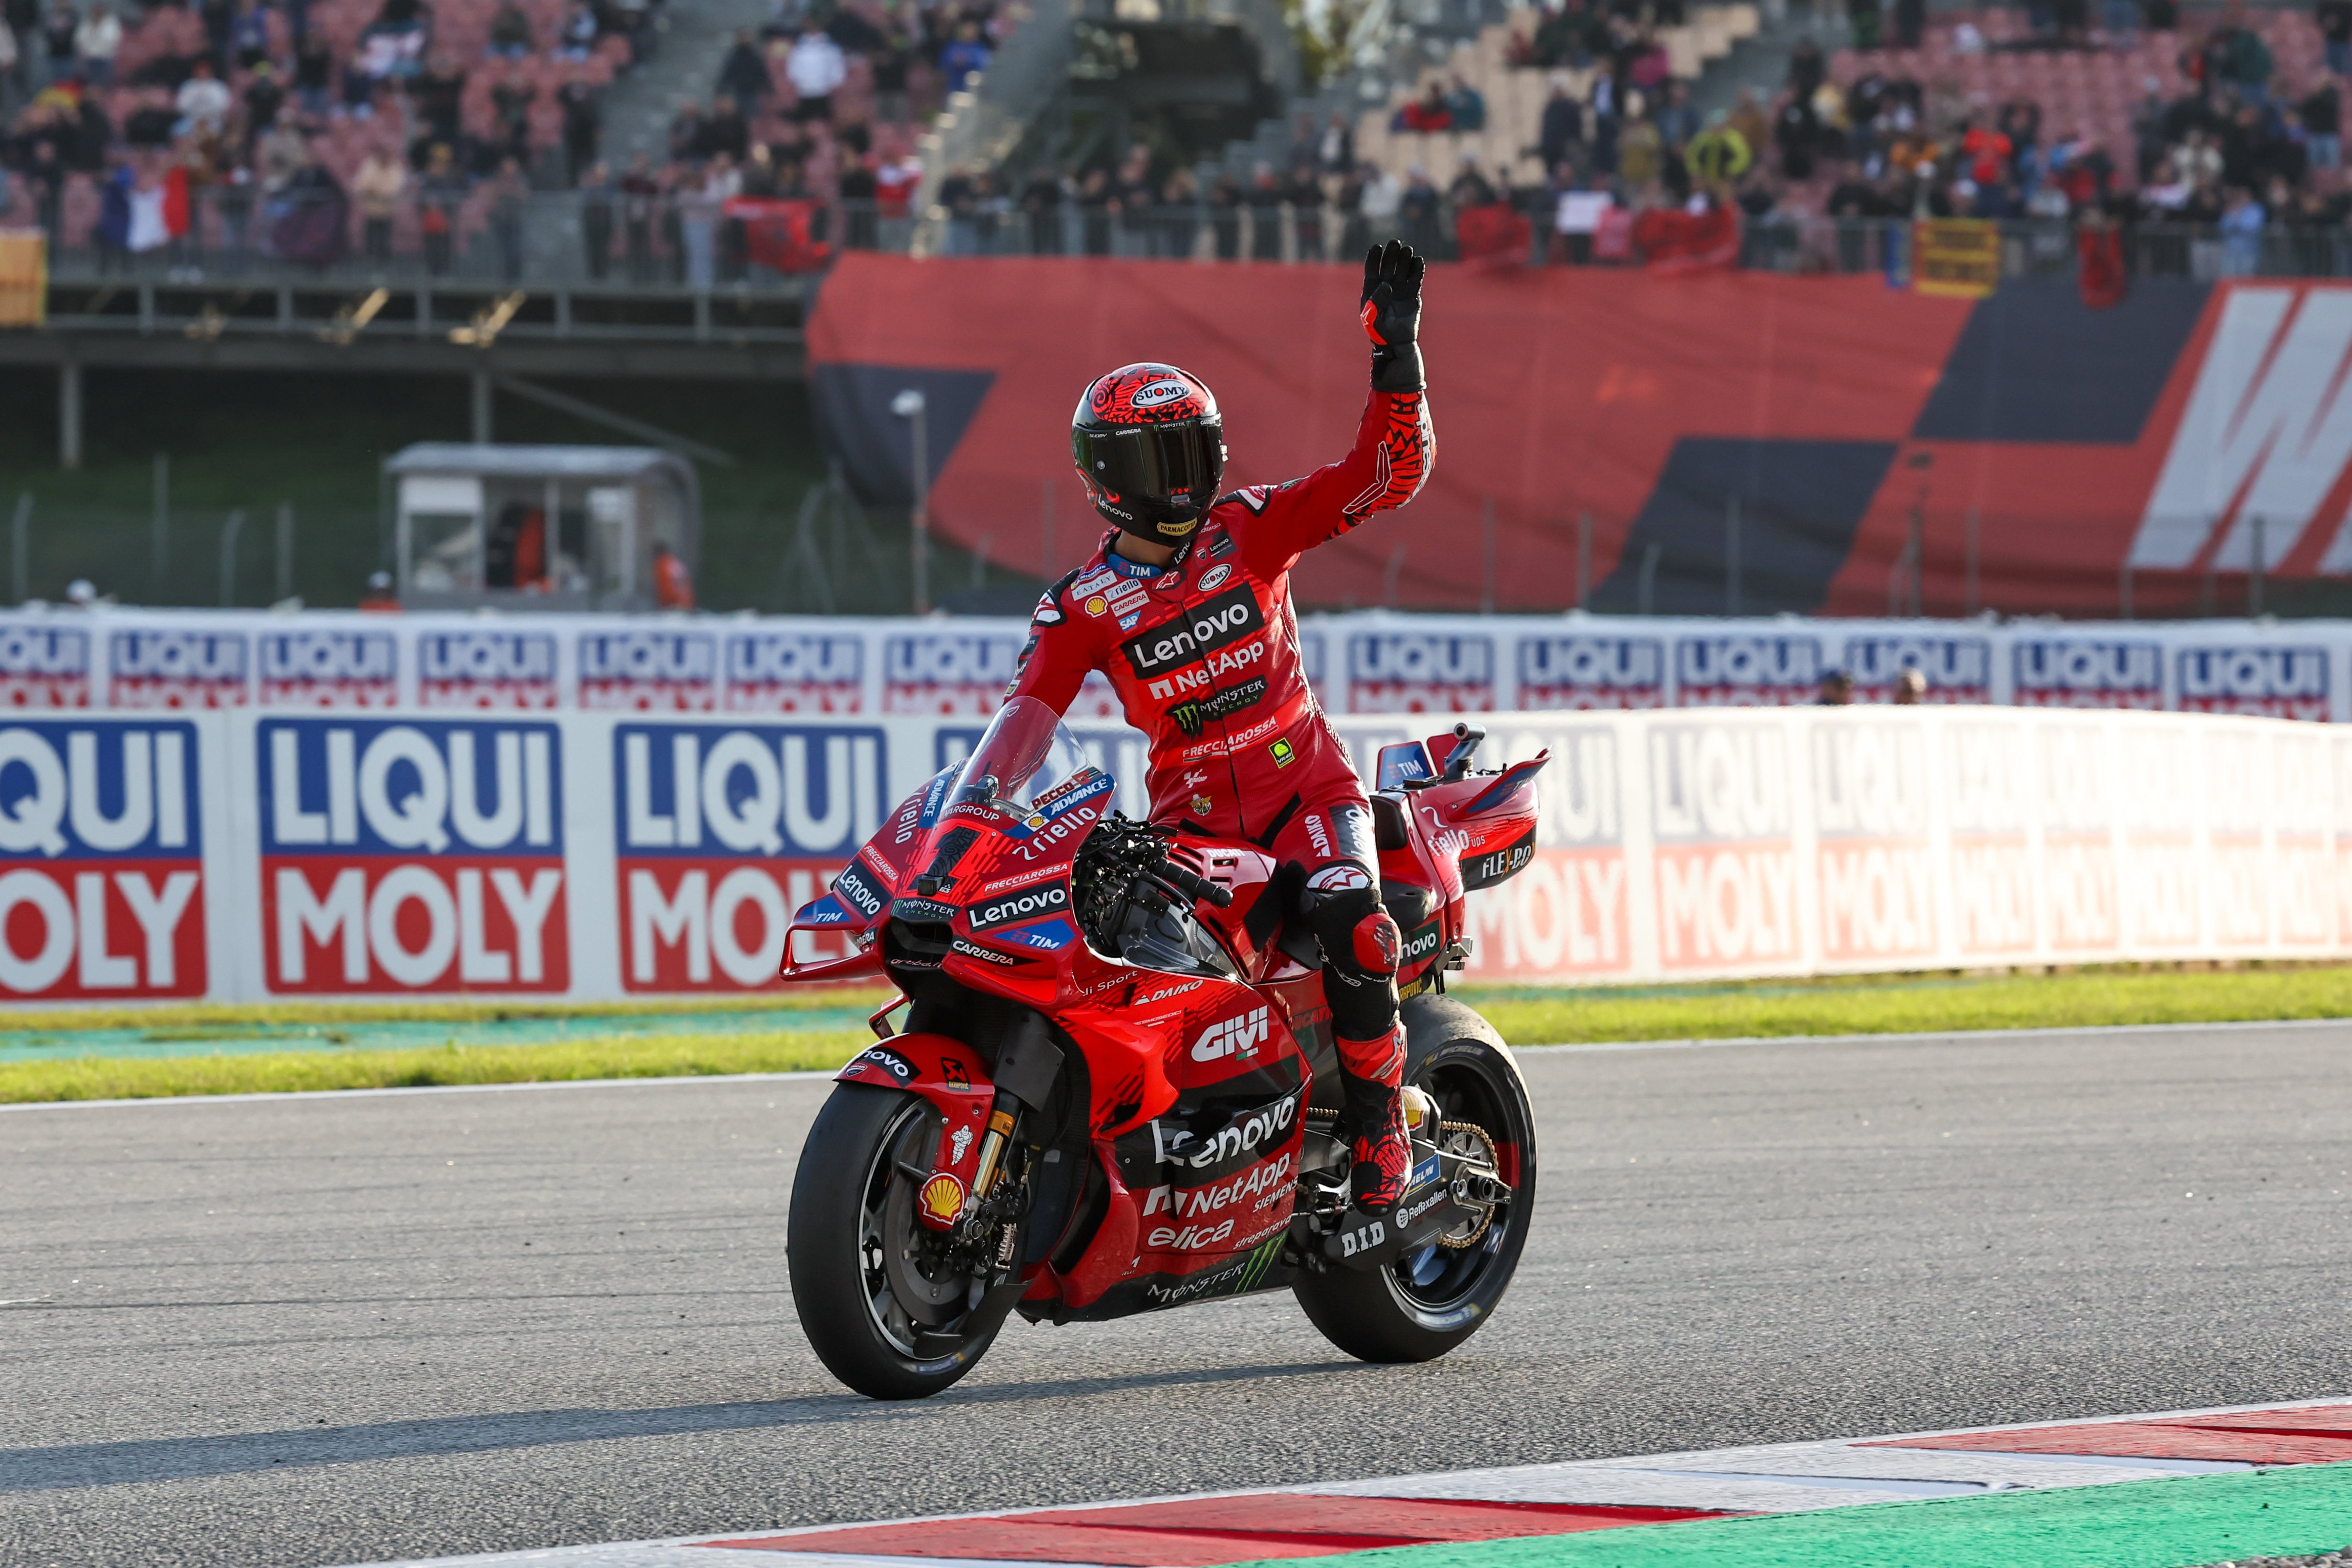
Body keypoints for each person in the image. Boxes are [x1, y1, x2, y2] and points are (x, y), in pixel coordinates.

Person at [1002, 242, 1436, 1216]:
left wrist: (1393, 357)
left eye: (1200, 449)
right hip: (1194, 836)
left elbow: (1388, 473)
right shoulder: (1081, 607)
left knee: (1356, 925)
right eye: (1165, 457)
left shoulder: (1253, 528)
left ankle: (1380, 1131)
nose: (1189, 476)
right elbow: (1023, 721)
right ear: (1110, 477)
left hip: (1313, 801)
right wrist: (981, 810)